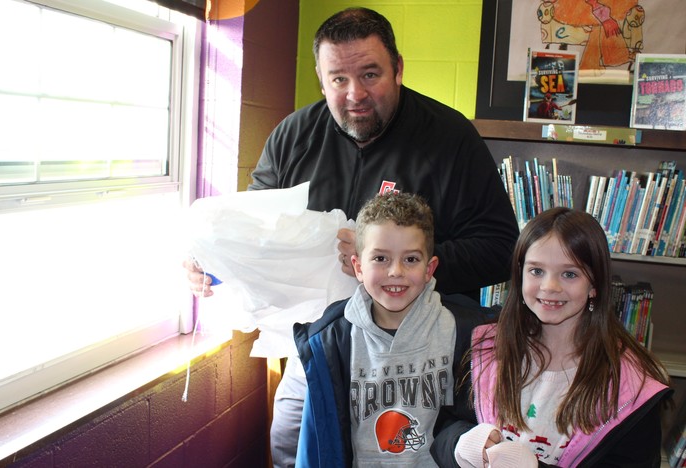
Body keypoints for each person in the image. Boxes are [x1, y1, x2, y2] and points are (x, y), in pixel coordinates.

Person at [184, 7, 519, 466]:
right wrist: (216, 265)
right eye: (338, 79)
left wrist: (398, 263)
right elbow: (251, 234)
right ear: (321, 79)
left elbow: (502, 248)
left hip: (421, 356)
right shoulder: (294, 136)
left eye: (370, 74)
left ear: (398, 68)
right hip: (321, 350)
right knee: (291, 446)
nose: (355, 94)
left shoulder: (451, 138)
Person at [432, 207, 672, 467]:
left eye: (569, 274)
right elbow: (441, 426)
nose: (549, 287)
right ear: (520, 274)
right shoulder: (483, 348)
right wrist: (461, 442)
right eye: (536, 271)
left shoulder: (630, 386)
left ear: (594, 286)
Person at [294, 192, 489, 467]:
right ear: (358, 267)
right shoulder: (330, 341)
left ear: (429, 268)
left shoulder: (467, 332)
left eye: (410, 259)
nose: (395, 271)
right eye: (381, 259)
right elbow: (318, 441)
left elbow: (472, 421)